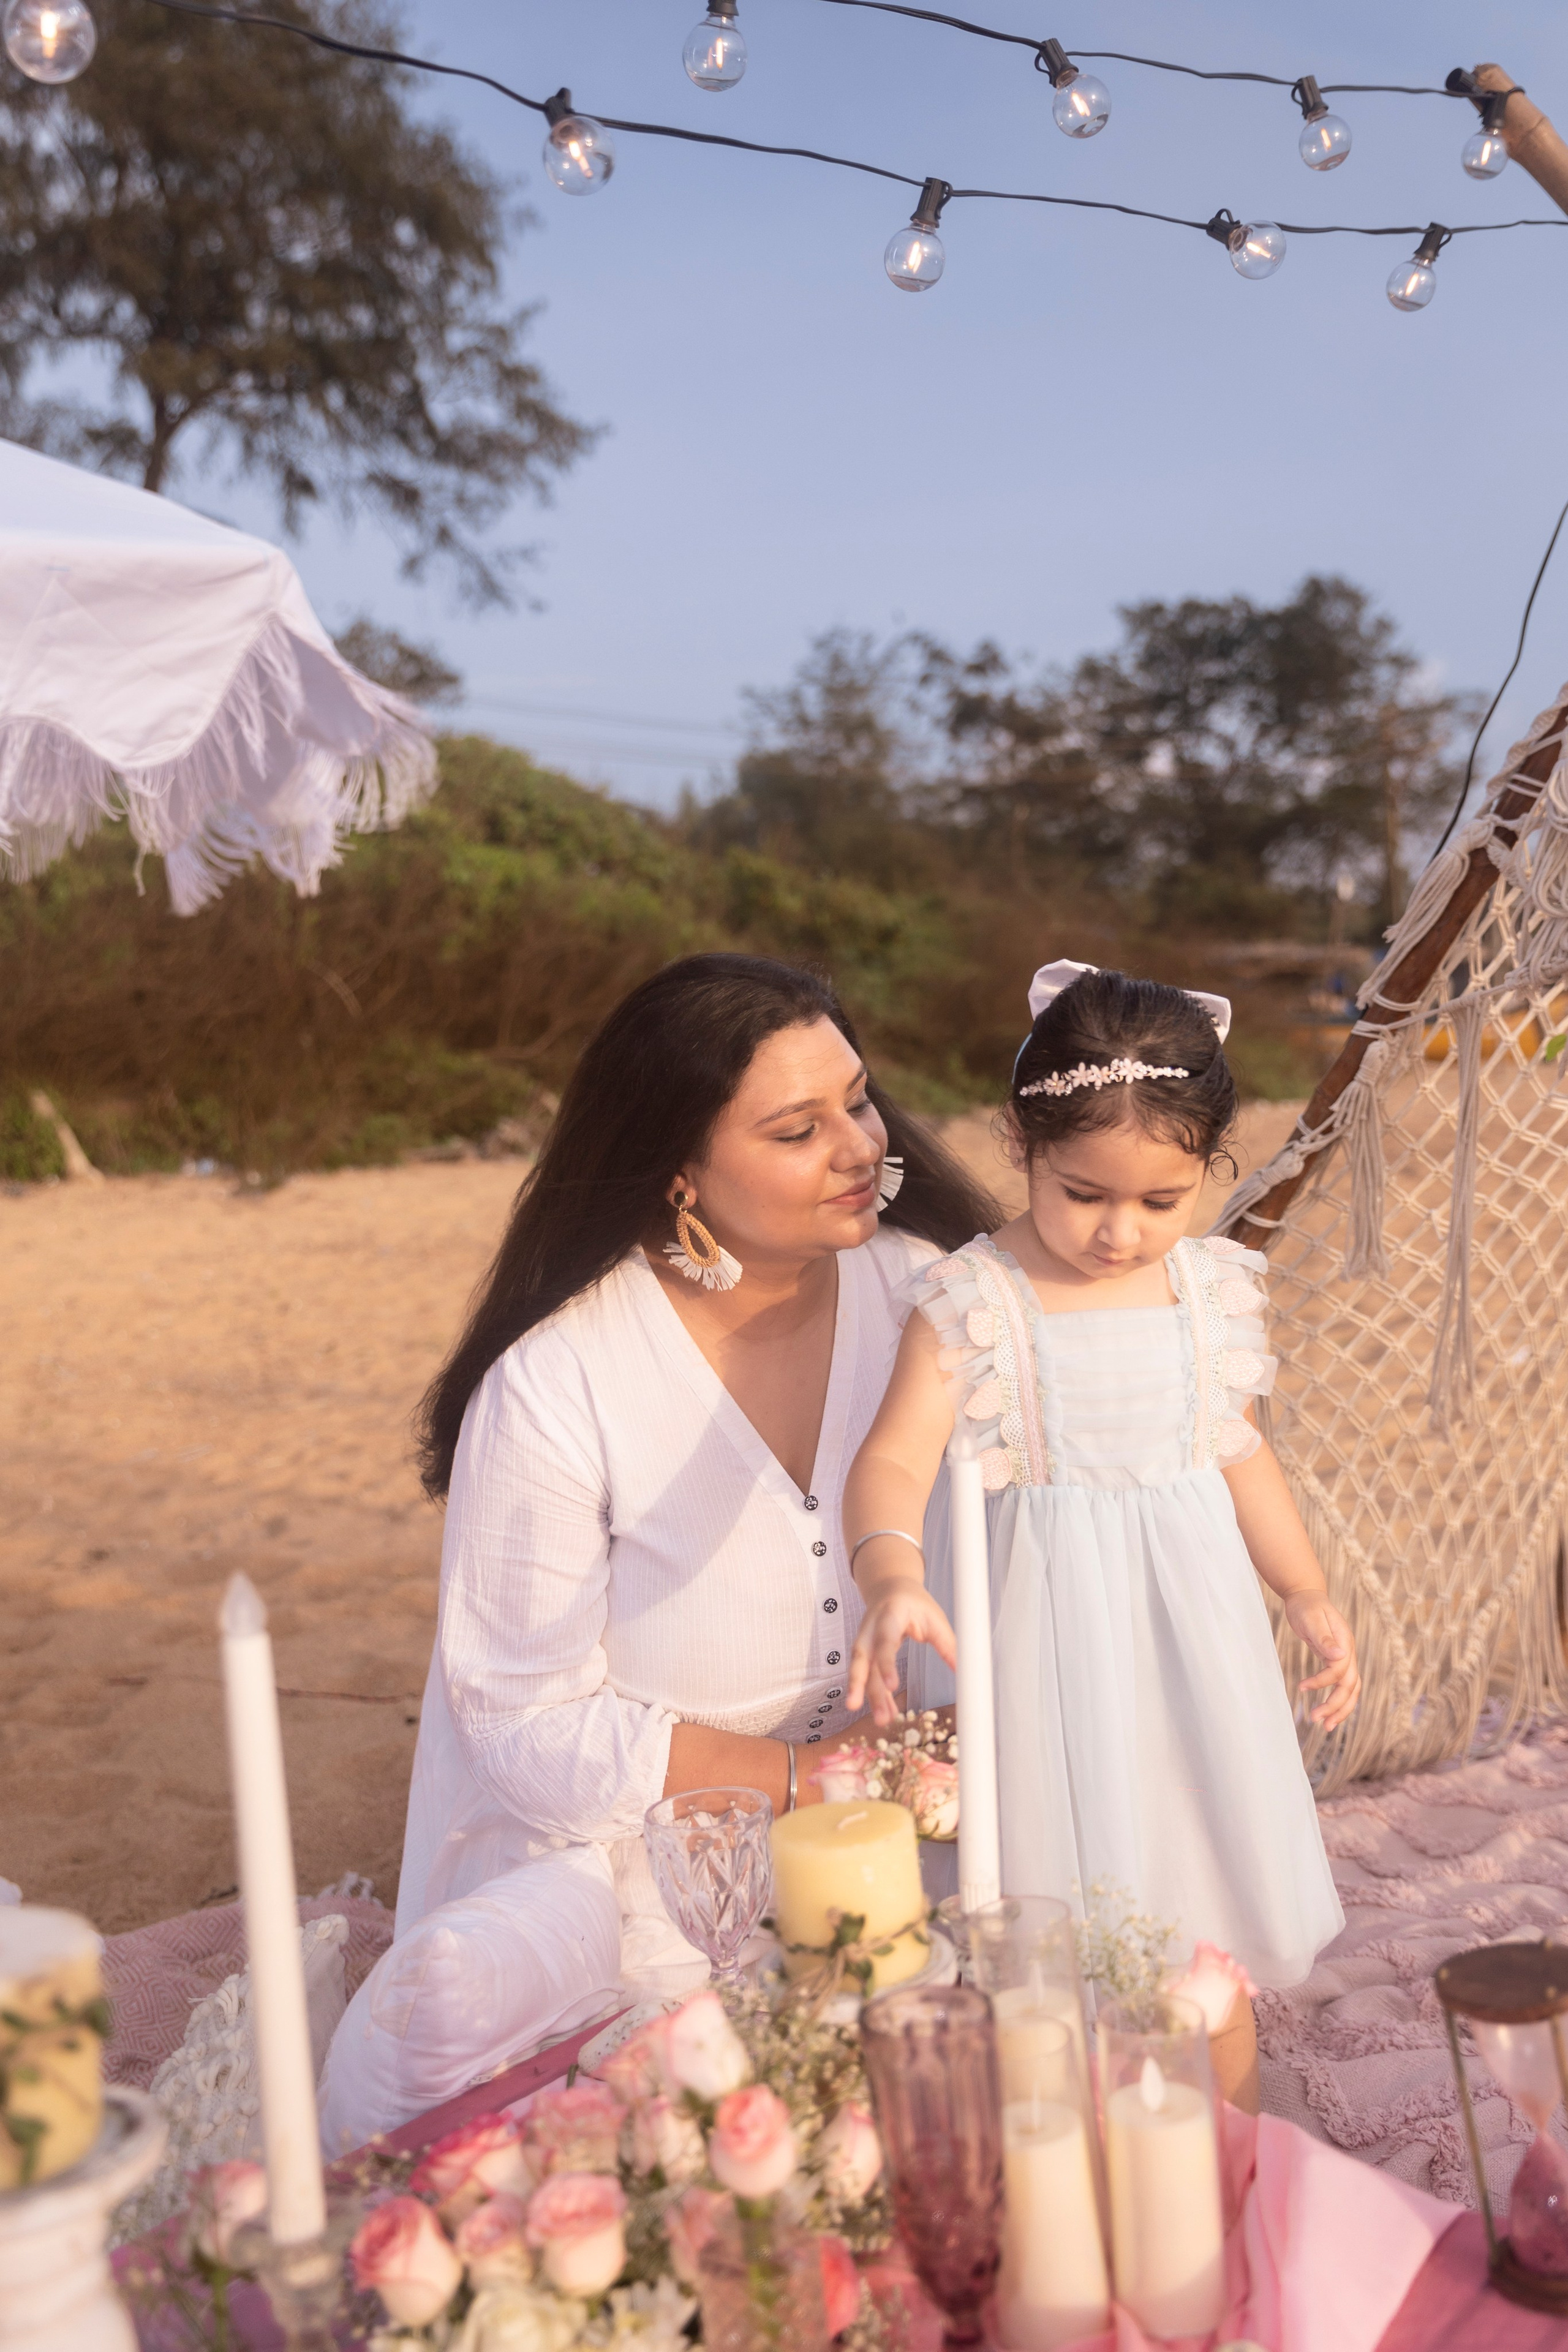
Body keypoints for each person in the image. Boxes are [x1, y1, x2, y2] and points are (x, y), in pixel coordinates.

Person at [318, 952, 996, 2147]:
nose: (858, 1147)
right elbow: (524, 1724)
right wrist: (805, 1781)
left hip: (904, 1816)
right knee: (450, 2036)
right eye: (796, 1129)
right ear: (679, 1173)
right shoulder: (557, 1384)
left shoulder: (927, 1296)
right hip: (636, 1842)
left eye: (858, 1099)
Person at [843, 960, 1352, 2092]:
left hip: (1191, 1648)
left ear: (1207, 1174)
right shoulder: (978, 1300)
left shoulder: (1209, 1292)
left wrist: (1305, 1589)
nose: (1121, 1232)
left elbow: (1240, 1450)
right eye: (1084, 1193)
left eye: (1160, 1202)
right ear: (1022, 1149)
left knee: (1204, 1900)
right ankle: (1067, 2127)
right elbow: (890, 1458)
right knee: (1053, 1918)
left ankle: (1228, 2144)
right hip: (1047, 1650)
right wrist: (891, 1573)